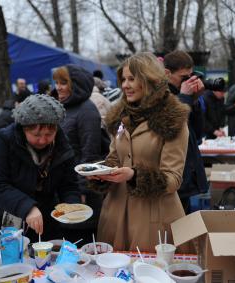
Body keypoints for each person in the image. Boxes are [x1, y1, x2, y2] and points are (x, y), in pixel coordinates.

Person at [87, 52, 190, 252]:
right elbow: (114, 157)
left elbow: (173, 179)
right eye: (123, 79)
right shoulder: (120, 116)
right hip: (115, 213)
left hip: (151, 218)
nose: (125, 85)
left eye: (132, 79)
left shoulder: (172, 120)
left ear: (149, 79)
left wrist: (134, 175)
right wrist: (100, 173)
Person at [0, 94, 81, 242]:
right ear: (24, 129)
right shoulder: (4, 140)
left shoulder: (61, 143)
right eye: (36, 135)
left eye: (49, 134)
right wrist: (27, 207)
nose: (43, 140)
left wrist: (71, 204)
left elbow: (69, 184)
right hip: (8, 220)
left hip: (46, 223)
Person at [53, 65, 103, 242]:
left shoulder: (87, 111)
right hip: (65, 187)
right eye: (56, 82)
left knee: (80, 239)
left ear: (77, 85)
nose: (58, 87)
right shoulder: (64, 107)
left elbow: (90, 155)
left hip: (82, 191)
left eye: (63, 83)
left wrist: (81, 190)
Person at [163, 50, 208, 213]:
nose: (188, 81)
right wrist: (185, 97)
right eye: (184, 77)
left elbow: (196, 133)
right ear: (167, 73)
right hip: (171, 176)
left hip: (185, 172)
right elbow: (171, 128)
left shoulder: (183, 95)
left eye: (190, 76)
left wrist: (194, 99)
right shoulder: (160, 95)